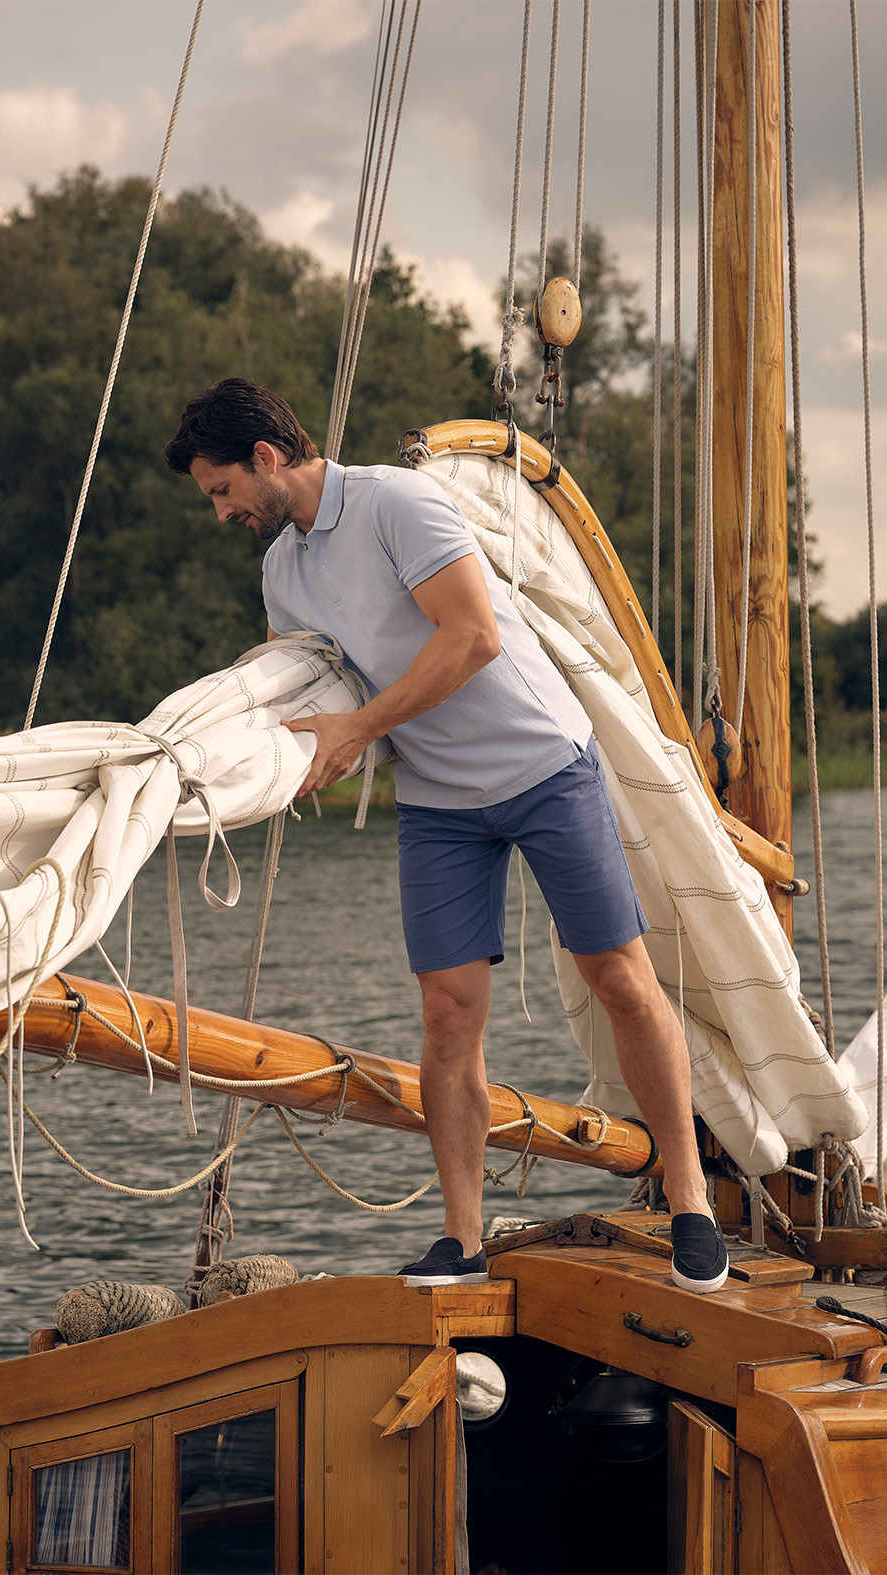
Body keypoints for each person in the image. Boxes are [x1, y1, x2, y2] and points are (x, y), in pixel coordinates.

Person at [164, 378, 728, 1294]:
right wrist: (283, 761)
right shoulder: (282, 574)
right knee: (447, 1013)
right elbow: (308, 691)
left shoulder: (397, 501)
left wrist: (358, 728)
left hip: (544, 763)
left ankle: (692, 1198)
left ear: (264, 459)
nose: (221, 511)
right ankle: (463, 1240)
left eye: (221, 490)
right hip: (437, 799)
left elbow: (470, 638)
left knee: (620, 975)